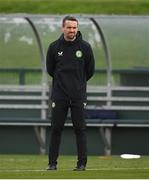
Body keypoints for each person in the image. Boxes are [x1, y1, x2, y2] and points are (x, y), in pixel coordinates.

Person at [46, 16, 95, 171]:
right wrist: (62, 84)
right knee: (56, 128)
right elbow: (50, 70)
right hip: (59, 95)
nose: (72, 30)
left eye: (74, 27)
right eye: (69, 27)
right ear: (63, 28)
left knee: (80, 129)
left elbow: (90, 71)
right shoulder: (54, 47)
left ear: (77, 28)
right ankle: (52, 164)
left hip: (78, 96)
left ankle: (81, 164)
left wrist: (77, 84)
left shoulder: (85, 47)